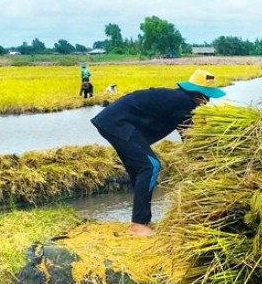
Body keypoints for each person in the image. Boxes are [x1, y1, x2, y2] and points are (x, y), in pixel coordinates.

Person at [91, 69, 226, 236]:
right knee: (150, 165)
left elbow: (187, 133)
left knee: (138, 169)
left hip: (111, 122)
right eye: (207, 96)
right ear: (197, 93)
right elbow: (189, 135)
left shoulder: (177, 98)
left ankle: (143, 220)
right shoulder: (184, 102)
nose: (208, 101)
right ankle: (138, 224)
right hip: (118, 124)